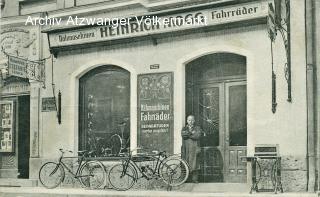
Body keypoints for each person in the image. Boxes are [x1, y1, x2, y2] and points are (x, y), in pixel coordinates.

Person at [181, 115, 204, 183]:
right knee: (186, 162)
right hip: (187, 148)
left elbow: (197, 136)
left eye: (192, 120)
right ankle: (186, 179)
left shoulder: (197, 128)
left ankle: (194, 179)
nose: (190, 122)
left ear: (194, 121)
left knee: (195, 163)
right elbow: (183, 135)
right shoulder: (184, 128)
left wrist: (189, 134)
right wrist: (191, 133)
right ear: (187, 121)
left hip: (194, 148)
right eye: (189, 120)